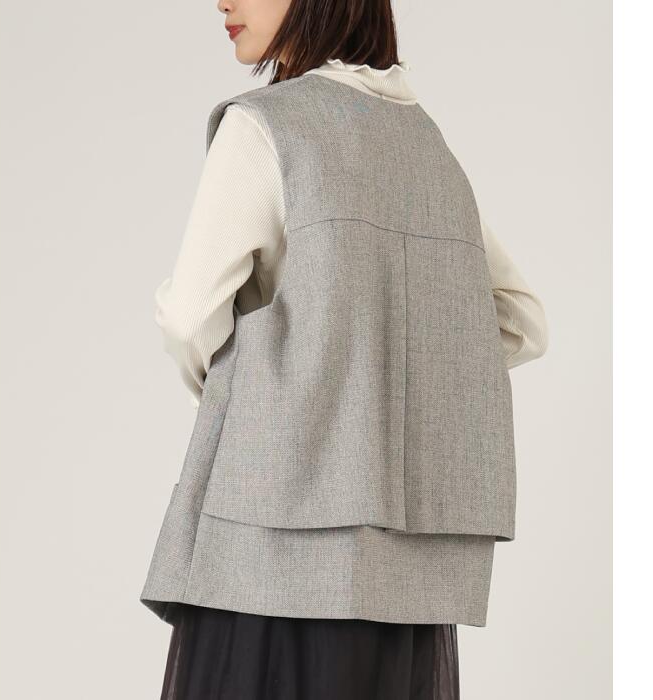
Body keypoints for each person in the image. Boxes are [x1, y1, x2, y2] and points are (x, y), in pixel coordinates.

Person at [140, 1, 549, 698]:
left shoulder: (266, 126)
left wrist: (268, 399)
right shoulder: (423, 141)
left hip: (269, 548)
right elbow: (519, 319)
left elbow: (188, 317)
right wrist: (397, 371)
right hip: (404, 579)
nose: (222, 1)